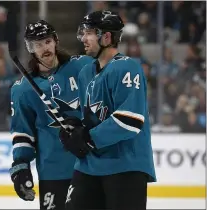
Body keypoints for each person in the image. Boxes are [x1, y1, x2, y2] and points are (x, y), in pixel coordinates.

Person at [59, 10, 156, 210]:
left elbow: (130, 121)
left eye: (89, 33)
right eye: (82, 32)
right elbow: (90, 114)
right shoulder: (86, 72)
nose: (83, 38)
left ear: (106, 36)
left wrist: (87, 137)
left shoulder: (127, 67)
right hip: (89, 166)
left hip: (125, 165)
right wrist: (73, 126)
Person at [9, 20, 93, 210]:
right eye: (37, 45)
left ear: (55, 41)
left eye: (47, 41)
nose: (44, 48)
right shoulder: (23, 89)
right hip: (53, 171)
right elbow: (22, 132)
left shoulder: (83, 67)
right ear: (30, 48)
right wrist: (21, 164)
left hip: (90, 165)